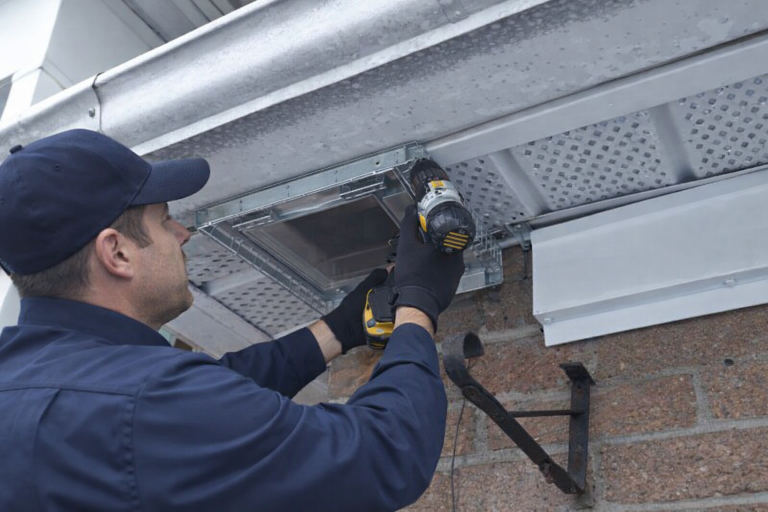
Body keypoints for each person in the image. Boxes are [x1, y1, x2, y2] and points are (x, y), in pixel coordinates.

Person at [0, 129, 465, 512]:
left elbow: (212, 393)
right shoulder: (147, 405)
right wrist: (418, 303)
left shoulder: (34, 380)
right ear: (116, 253)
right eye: (163, 220)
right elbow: (382, 454)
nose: (182, 233)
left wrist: (339, 328)